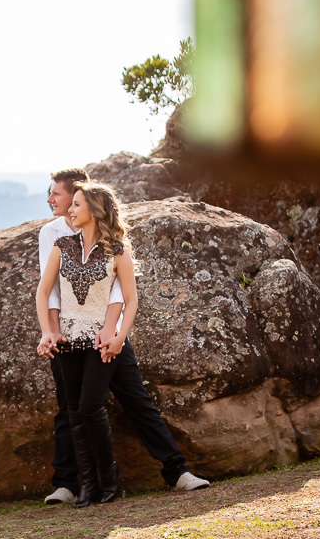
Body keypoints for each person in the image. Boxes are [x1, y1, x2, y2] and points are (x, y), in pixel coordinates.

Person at [36, 171, 209, 506]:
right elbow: (52, 288)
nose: (54, 201)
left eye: (60, 195)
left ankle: (176, 472)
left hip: (108, 332)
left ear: (85, 202)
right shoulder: (53, 236)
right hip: (68, 334)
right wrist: (52, 331)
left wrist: (111, 330)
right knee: (70, 410)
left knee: (136, 400)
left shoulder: (114, 246)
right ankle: (69, 483)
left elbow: (119, 286)